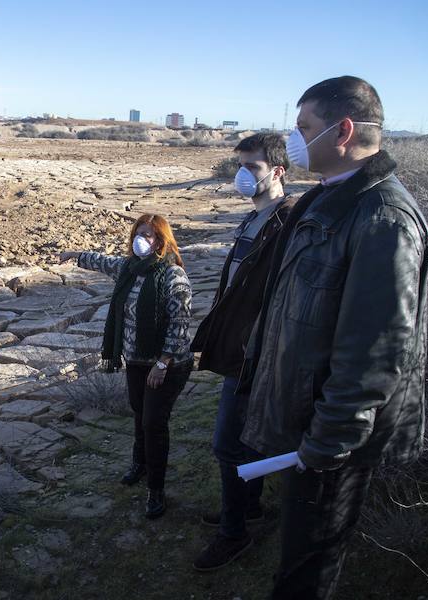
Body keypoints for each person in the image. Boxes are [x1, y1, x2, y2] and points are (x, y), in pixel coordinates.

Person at [239, 76, 428, 599]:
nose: (295, 139)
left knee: (308, 570)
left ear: (343, 130)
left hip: (331, 439)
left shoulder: (381, 216)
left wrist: (327, 442)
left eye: (304, 128)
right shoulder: (325, 200)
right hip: (305, 422)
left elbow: (377, 351)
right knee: (297, 551)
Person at [189, 133, 296, 571]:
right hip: (241, 349)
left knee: (227, 444)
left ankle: (234, 534)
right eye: (239, 166)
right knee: (244, 440)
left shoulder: (289, 221)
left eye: (251, 167)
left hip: (259, 354)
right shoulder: (254, 219)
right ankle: (248, 505)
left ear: (277, 172)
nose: (242, 175)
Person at [60, 214, 193, 519]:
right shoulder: (129, 268)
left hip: (167, 364)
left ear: (162, 240)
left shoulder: (173, 276)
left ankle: (156, 490)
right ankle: (139, 464)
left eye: (150, 235)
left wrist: (162, 363)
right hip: (135, 360)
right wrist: (75, 255)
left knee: (153, 424)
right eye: (139, 233)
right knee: (138, 413)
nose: (142, 239)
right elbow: (102, 262)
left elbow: (180, 324)